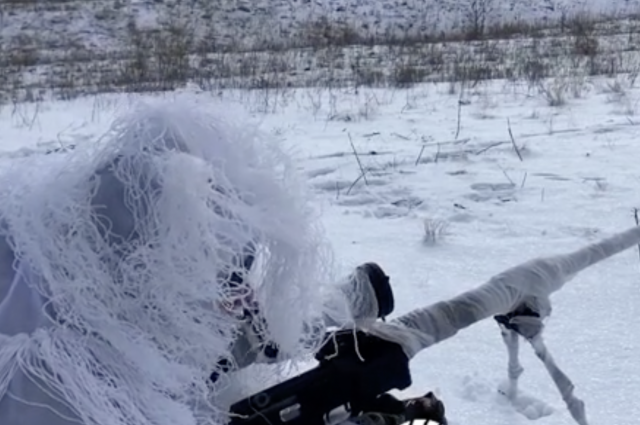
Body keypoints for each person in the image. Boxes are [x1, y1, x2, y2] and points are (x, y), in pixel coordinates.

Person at [0, 102, 444, 425]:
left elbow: (229, 339)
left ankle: (330, 308)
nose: (235, 295)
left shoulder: (53, 223)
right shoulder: (55, 379)